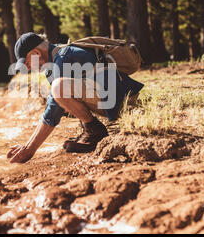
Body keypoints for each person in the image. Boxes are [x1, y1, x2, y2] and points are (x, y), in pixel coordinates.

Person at [7, 32, 144, 163]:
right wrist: (28, 144)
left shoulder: (63, 57)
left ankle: (95, 132)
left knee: (58, 88)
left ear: (36, 53)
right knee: (58, 89)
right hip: (116, 97)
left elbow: (54, 108)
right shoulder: (57, 58)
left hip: (125, 101)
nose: (29, 68)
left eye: (27, 63)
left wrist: (30, 149)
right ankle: (89, 129)